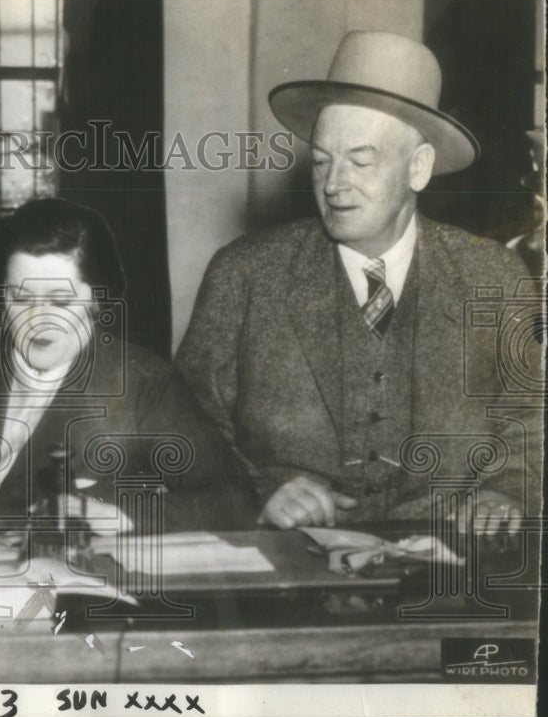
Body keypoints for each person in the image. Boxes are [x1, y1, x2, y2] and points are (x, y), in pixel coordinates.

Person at [175, 31, 537, 534]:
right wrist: (258, 489)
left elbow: (530, 424)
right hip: (286, 562)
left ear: (419, 167)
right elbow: (184, 426)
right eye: (322, 160)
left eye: (360, 161)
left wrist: (506, 493)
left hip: (445, 573)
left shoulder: (492, 277)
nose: (333, 183)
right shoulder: (246, 275)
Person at [0, 198, 255, 538]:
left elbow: (232, 500)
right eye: (20, 298)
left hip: (80, 584)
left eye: (61, 301)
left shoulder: (142, 381)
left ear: (95, 301)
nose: (37, 321)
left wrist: (119, 516)